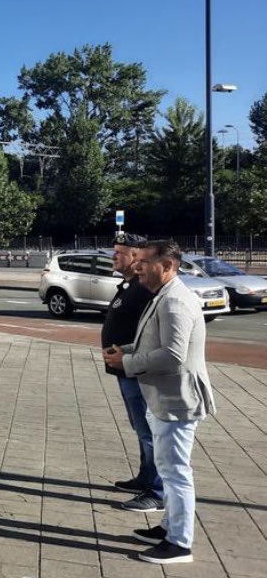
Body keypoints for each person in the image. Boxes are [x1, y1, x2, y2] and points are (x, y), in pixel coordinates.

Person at [103, 240, 216, 566]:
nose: (137, 267)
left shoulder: (174, 302)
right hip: (166, 397)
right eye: (136, 262)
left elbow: (173, 355)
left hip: (177, 400)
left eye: (144, 262)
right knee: (168, 469)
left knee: (176, 473)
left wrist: (128, 363)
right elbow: (152, 340)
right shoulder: (164, 295)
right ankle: (168, 529)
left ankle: (179, 544)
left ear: (167, 266)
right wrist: (126, 350)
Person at [100, 233, 162, 512]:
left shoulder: (143, 289)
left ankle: (157, 491)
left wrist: (128, 356)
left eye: (119, 253)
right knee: (140, 428)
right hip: (125, 370)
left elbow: (149, 333)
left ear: (136, 258)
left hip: (137, 371)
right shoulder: (128, 286)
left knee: (148, 431)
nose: (114, 257)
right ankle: (145, 478)